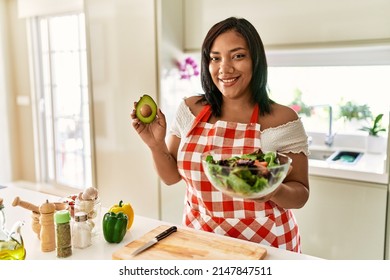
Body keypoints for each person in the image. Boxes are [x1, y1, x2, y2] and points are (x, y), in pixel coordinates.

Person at [131, 17, 309, 252]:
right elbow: (171, 177)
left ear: (256, 60)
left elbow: (301, 194)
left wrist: (273, 190)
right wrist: (155, 145)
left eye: (237, 56)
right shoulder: (190, 109)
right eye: (215, 58)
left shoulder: (282, 120)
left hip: (267, 245)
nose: (224, 68)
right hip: (201, 241)